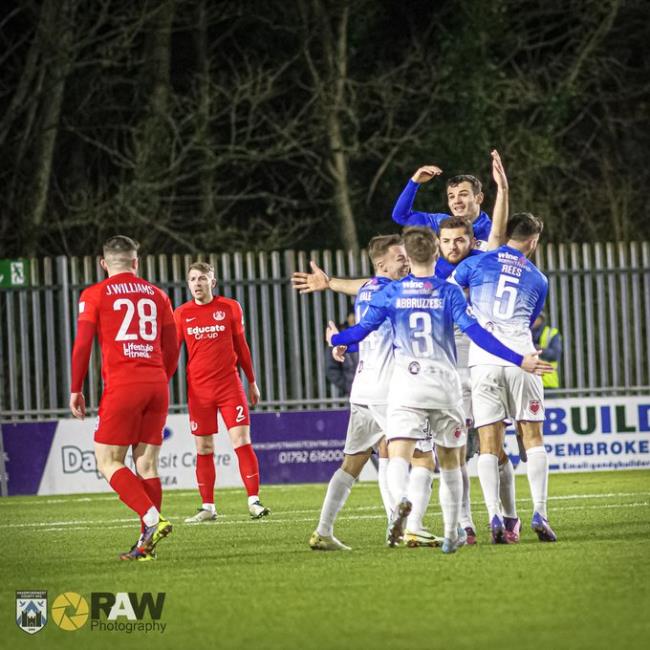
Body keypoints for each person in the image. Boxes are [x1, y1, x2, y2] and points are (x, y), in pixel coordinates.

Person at [328, 227, 552, 553]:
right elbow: (478, 335)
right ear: (436, 252)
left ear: (408, 254)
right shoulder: (450, 293)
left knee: (399, 454)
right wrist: (519, 358)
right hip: (445, 389)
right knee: (450, 462)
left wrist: (335, 341)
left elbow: (360, 331)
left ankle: (401, 504)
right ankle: (452, 532)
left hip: (405, 389)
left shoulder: (391, 293)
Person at [69, 235, 179, 561]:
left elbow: (82, 344)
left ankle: (151, 520)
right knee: (146, 464)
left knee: (107, 461)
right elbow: (172, 348)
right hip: (157, 382)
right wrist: (159, 377)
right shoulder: (158, 295)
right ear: (136, 261)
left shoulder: (95, 294)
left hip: (123, 384)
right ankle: (146, 546)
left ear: (104, 263)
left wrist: (76, 387)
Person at [452, 212, 558, 543]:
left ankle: (495, 515)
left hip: (483, 360)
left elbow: (451, 294)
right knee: (533, 439)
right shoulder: (539, 278)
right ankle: (540, 511)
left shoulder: (476, 264)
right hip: (522, 360)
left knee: (488, 445)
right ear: (533, 241)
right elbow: (529, 320)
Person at [308, 235, 409, 550]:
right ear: (381, 264)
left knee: (354, 462)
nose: (407, 262)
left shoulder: (368, 290)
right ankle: (402, 523)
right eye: (400, 257)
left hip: (363, 389)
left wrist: (341, 341)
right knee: (411, 455)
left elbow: (368, 333)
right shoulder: (394, 292)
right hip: (388, 389)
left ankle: (323, 531)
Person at [174, 262, 269, 522]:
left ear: (212, 282)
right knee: (204, 447)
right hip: (199, 391)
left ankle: (253, 500)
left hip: (229, 386)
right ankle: (208, 507)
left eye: (202, 278)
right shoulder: (181, 313)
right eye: (192, 279)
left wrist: (251, 381)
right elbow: (172, 353)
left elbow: (242, 345)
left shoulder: (229, 307)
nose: (197, 283)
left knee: (241, 441)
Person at [391, 150, 509, 250]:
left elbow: (521, 258)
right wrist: (414, 182)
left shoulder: (494, 230)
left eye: (463, 194)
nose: (456, 201)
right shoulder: (441, 223)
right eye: (451, 196)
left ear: (479, 198)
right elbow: (401, 216)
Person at [325, 312, 359, 396]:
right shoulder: (342, 336)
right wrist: (348, 386)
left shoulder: (372, 333)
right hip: (352, 391)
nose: (354, 319)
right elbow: (331, 368)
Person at [531, 312, 562, 388]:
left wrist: (539, 350)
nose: (532, 319)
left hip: (548, 383)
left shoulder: (551, 333)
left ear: (541, 319)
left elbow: (555, 354)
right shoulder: (523, 333)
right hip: (530, 383)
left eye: (535, 317)